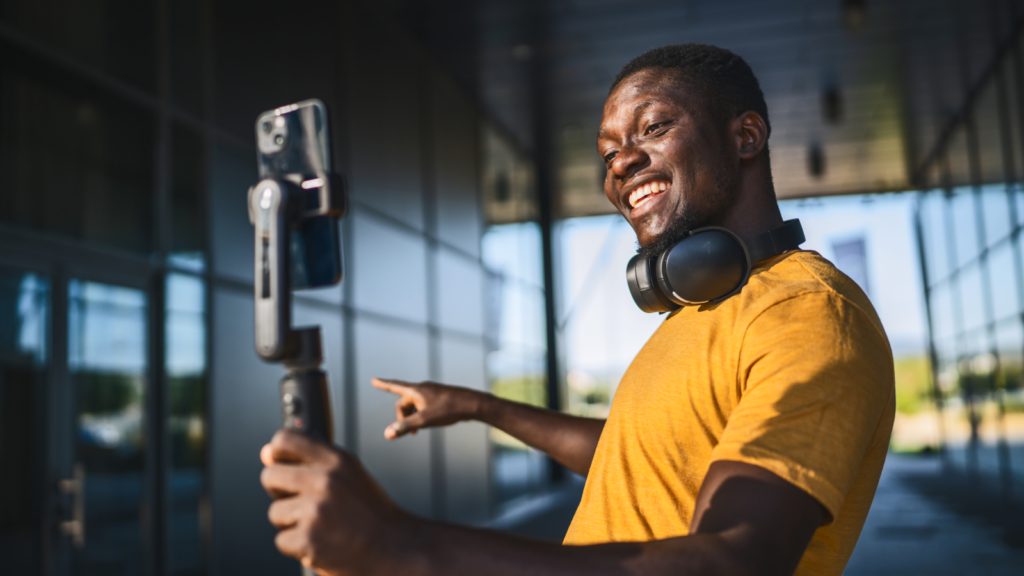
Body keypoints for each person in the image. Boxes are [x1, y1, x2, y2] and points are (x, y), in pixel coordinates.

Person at [259, 43, 895, 576]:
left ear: (746, 136)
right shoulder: (700, 311)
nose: (622, 163)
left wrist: (401, 545)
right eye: (609, 151)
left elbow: (739, 558)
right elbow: (639, 456)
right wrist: (480, 406)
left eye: (654, 128)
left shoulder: (810, 314)